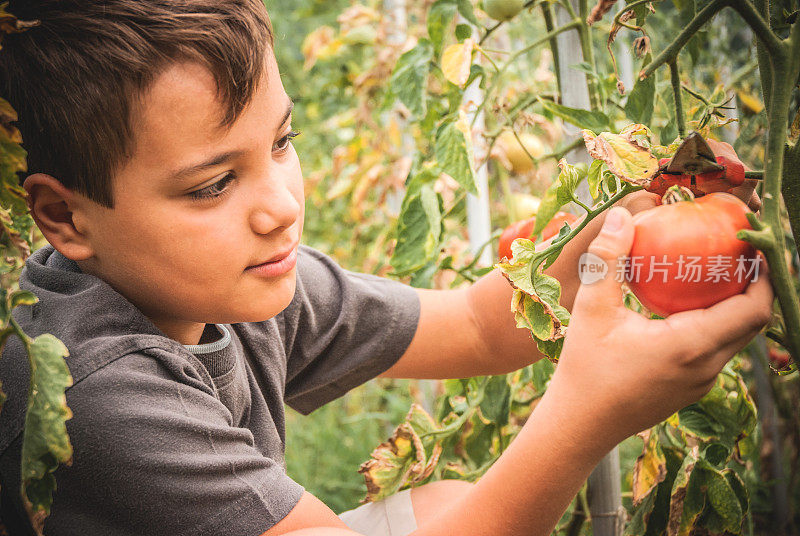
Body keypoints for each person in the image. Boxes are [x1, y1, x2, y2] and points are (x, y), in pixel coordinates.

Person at [0, 1, 772, 535]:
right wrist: (584, 418)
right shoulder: (93, 396)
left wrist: (630, 222)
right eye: (213, 184)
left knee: (446, 507)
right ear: (65, 217)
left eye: (281, 143)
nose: (280, 207)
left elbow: (473, 324)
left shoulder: (234, 280)